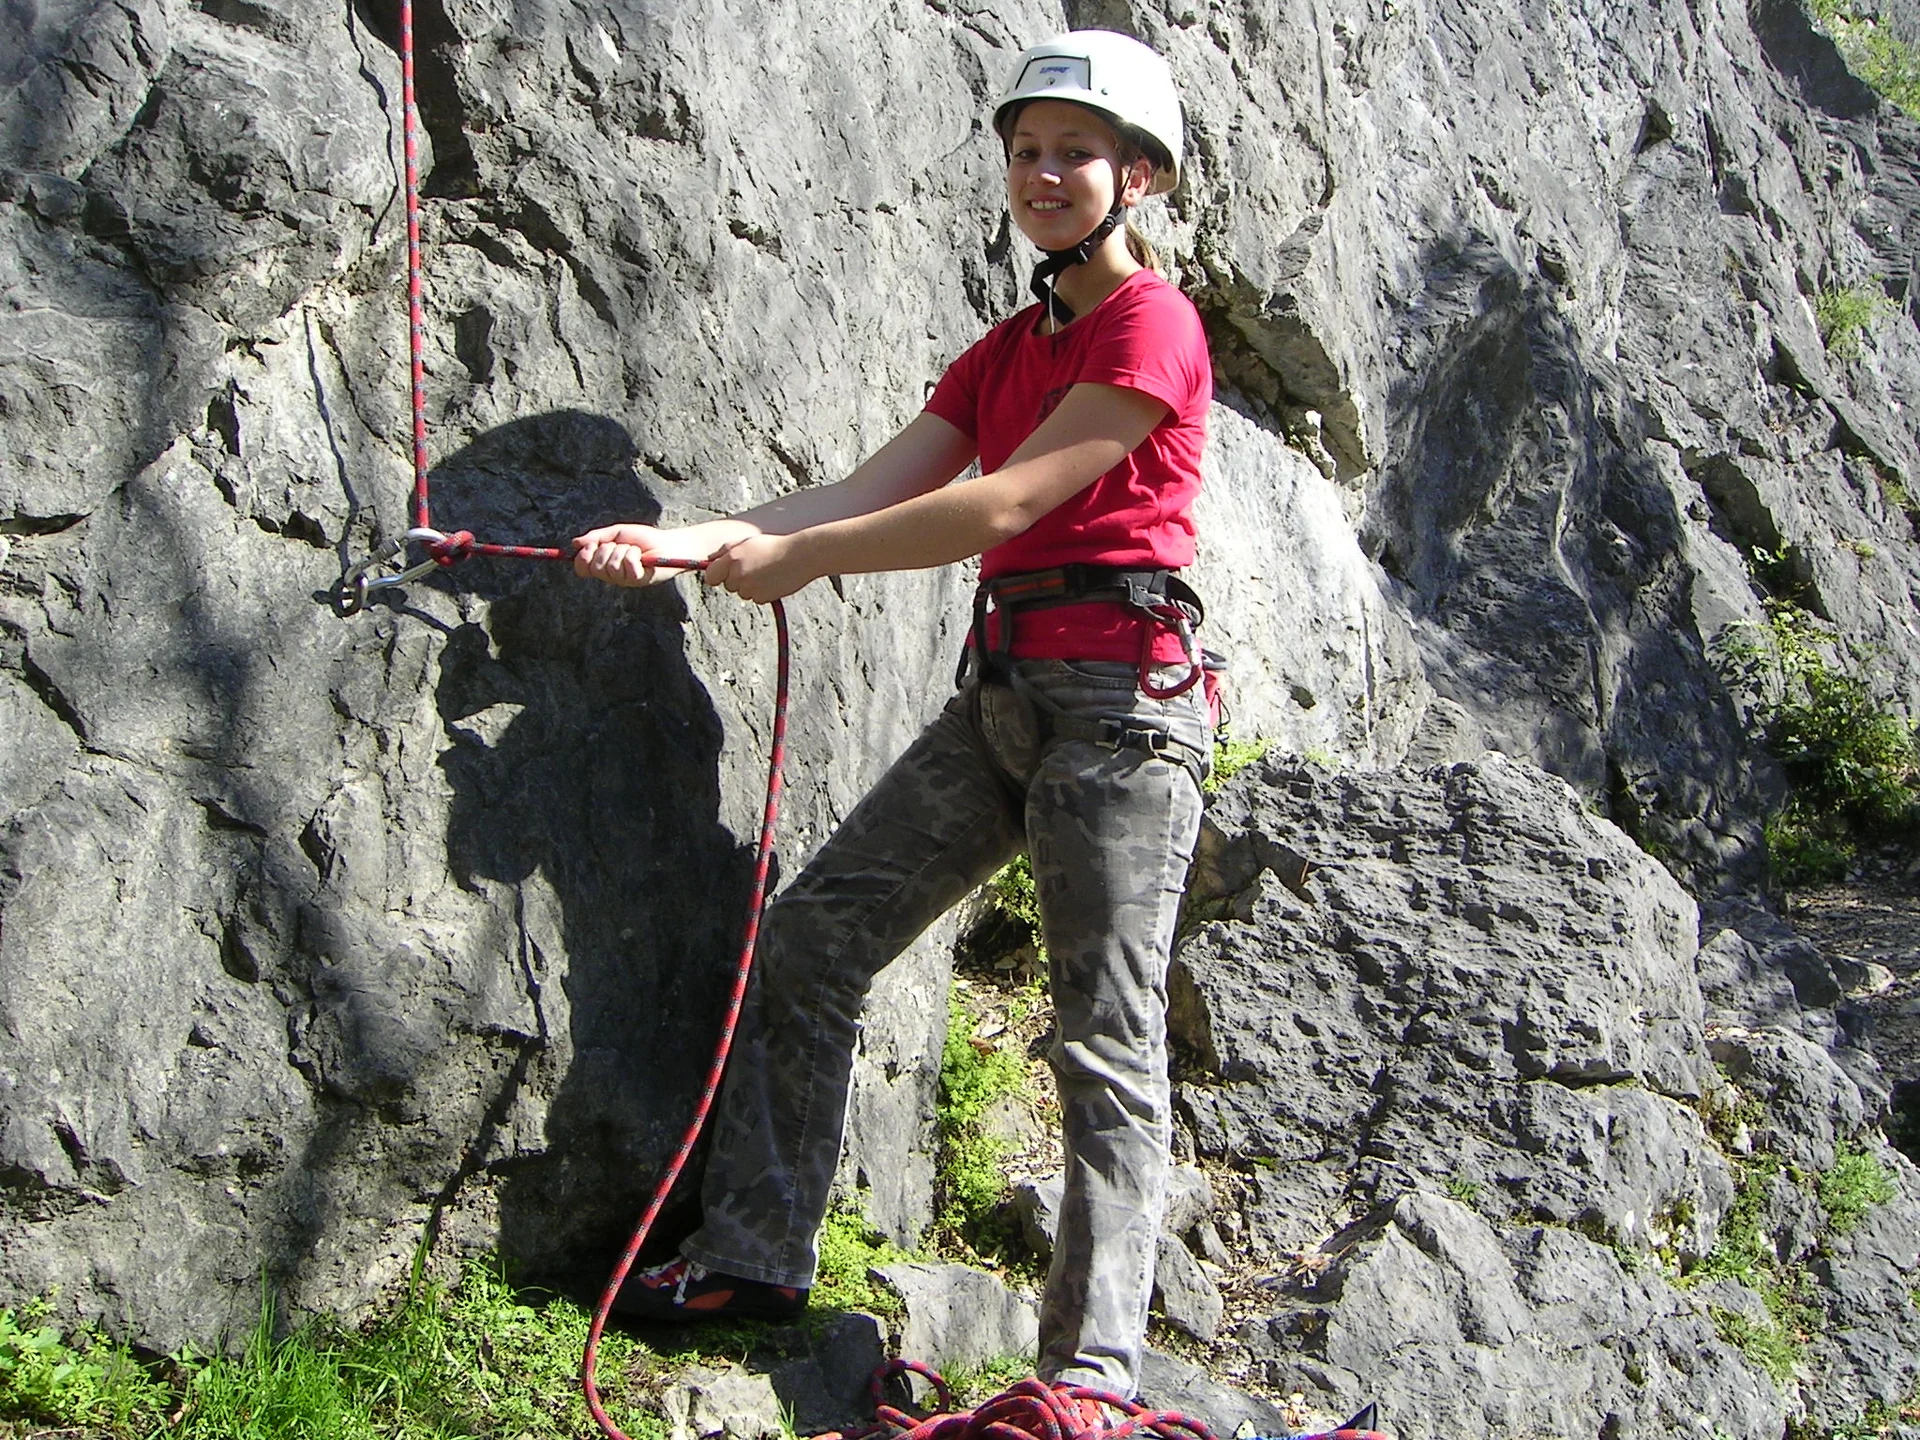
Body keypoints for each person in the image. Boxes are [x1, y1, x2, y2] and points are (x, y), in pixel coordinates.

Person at [572, 30, 1213, 1401]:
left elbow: (1005, 504)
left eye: (1078, 152)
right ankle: (755, 1256)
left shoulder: (1150, 323)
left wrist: (804, 561)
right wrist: (689, 541)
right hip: (1008, 697)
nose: (1044, 173)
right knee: (814, 933)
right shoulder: (1005, 352)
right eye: (1027, 150)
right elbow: (864, 489)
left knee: (1103, 1037)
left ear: (1141, 177)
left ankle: (1090, 1383)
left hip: (1121, 709)